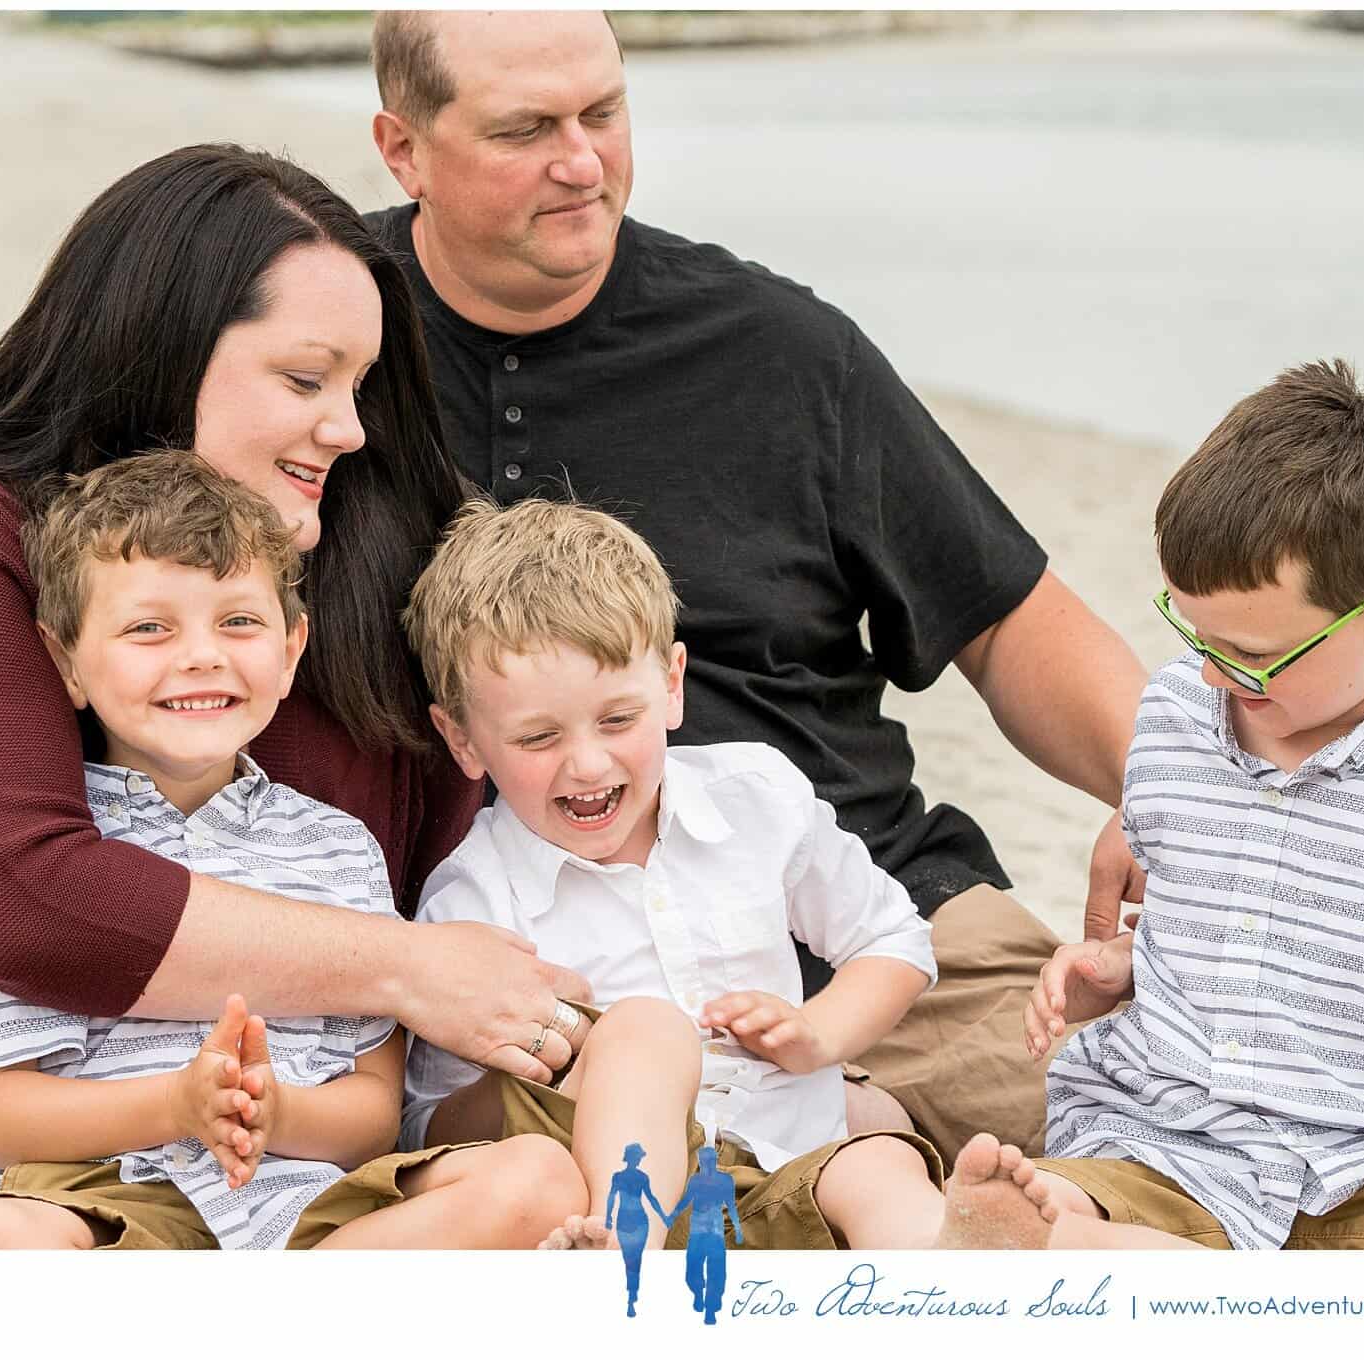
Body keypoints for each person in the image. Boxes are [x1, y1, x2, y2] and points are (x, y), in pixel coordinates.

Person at [0, 143, 591, 1249]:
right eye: (305, 381)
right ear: (157, 352)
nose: (348, 427)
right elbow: (17, 892)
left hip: (278, 1127)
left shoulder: (347, 537)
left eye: (359, 386)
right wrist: (408, 968)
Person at [365, 9, 1152, 1162]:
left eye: (603, 112)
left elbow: (1002, 615)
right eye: (525, 129)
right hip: (542, 975)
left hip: (885, 931)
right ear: (402, 149)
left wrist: (1173, 796)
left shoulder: (780, 350)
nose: (581, 163)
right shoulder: (322, 335)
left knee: (1180, 1149)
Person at [0, 452, 581, 1249]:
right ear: (65, 661)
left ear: (292, 649)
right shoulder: (28, 841)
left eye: (238, 621)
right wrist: (180, 1107)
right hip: (89, 1199)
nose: (201, 654)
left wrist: (277, 1109)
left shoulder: (337, 849)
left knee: (538, 1178)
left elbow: (371, 1117)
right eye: (148, 628)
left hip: (301, 1217)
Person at [942, 360, 1364, 1250]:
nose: (1216, 675)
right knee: (1068, 1214)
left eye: (1254, 656)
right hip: (1170, 1150)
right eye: (1194, 634)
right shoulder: (1176, 714)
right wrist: (1127, 969)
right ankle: (1082, 1235)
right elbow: (1220, 916)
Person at [398, 497, 950, 1251]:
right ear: (462, 739)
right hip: (597, 1195)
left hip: (793, 1175)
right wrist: (548, 1074)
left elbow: (892, 938)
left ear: (672, 685)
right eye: (538, 736)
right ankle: (630, 1263)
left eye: (618, 720)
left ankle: (942, 1305)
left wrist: (818, 1034)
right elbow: (428, 1121)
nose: (587, 764)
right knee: (642, 1037)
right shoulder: (476, 897)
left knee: (886, 1162)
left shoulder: (755, 797)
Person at [668, 1145, 743, 1325]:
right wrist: (671, 1216)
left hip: (715, 1228)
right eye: (704, 1160)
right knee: (693, 1266)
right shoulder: (696, 1180)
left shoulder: (725, 1180)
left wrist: (738, 1228)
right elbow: (686, 1200)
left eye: (709, 1160)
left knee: (716, 1269)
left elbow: (731, 1205)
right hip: (697, 1227)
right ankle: (697, 1294)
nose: (707, 1163)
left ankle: (711, 1306)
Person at [604, 1143, 669, 1316]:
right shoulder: (627, 1177)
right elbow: (612, 1197)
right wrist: (607, 1218)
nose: (639, 1159)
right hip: (630, 1219)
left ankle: (633, 1298)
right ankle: (630, 1297)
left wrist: (663, 1216)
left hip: (635, 1219)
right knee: (628, 1259)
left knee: (635, 1259)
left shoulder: (637, 1177)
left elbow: (652, 1198)